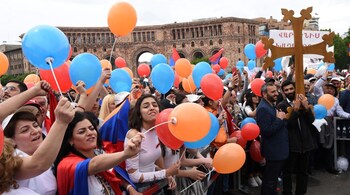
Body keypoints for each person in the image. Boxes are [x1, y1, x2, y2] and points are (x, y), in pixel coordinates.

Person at [0, 91, 74, 194]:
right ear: (10, 140)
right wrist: (61, 122)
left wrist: (36, 90)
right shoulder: (8, 161)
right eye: (25, 130)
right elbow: (38, 164)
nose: (35, 131)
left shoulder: (50, 154)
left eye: (35, 125)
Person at [54, 112, 143, 195]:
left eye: (92, 128)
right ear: (70, 140)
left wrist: (129, 187)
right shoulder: (65, 164)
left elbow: (113, 174)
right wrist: (125, 154)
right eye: (82, 131)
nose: (90, 133)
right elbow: (94, 165)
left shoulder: (99, 152)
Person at [125, 94, 180, 193]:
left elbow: (150, 163)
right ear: (139, 113)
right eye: (146, 106)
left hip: (155, 185)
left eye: (154, 105)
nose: (151, 108)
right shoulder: (134, 135)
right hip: (141, 189)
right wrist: (165, 173)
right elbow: (134, 176)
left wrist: (167, 175)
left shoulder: (156, 132)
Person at [277, 80, 317, 195]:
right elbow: (288, 125)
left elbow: (311, 122)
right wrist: (295, 109)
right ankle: (287, 192)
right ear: (283, 92)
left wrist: (306, 108)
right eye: (286, 90)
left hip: (305, 143)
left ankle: (301, 192)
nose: (289, 91)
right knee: (287, 172)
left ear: (295, 89)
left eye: (291, 89)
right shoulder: (282, 105)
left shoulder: (304, 101)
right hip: (292, 144)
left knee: (303, 172)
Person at [256, 82, 288, 195]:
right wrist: (279, 119)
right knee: (269, 181)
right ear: (264, 94)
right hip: (273, 151)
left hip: (278, 150)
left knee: (273, 181)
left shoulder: (271, 105)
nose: (276, 93)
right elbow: (266, 131)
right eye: (273, 92)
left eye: (276, 91)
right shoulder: (263, 108)